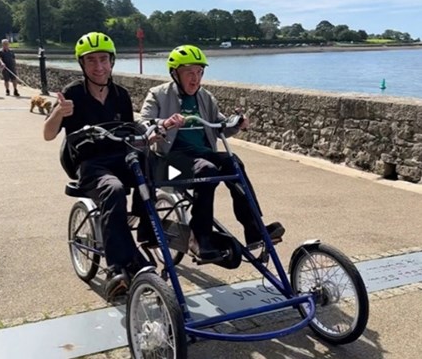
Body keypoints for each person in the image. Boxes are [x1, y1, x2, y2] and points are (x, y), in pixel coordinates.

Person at [140, 44, 285, 260]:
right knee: (206, 170)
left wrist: (237, 122)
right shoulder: (159, 94)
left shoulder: (205, 97)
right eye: (189, 72)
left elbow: (220, 125)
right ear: (175, 73)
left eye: (199, 72)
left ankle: (254, 229)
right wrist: (165, 123)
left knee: (233, 162)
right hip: (169, 167)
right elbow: (143, 123)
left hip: (201, 155)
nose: (195, 78)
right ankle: (200, 237)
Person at [43, 32, 152, 299]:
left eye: (103, 59)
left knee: (153, 165)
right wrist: (59, 113)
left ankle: (146, 227)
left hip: (119, 157)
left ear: (112, 62)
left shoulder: (121, 95)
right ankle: (116, 268)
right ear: (82, 64)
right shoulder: (72, 94)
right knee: (113, 190)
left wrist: (147, 136)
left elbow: (130, 132)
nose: (99, 66)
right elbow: (47, 133)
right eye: (91, 60)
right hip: (88, 163)